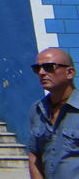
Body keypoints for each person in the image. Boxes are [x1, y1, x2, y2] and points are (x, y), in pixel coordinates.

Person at [28, 47, 79, 179]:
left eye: (49, 67)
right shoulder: (37, 110)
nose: (41, 72)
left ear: (70, 73)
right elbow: (35, 155)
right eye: (37, 68)